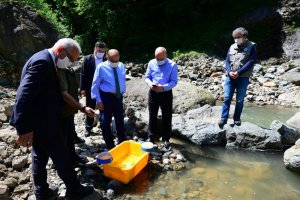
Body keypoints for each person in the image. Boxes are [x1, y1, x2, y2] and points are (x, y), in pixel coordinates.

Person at [10, 38, 94, 200]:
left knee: (39, 157)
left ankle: (42, 191)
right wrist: (23, 128)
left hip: (43, 120)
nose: (70, 63)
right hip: (44, 122)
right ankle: (74, 189)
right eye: (71, 59)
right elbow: (23, 95)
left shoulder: (47, 60)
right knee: (61, 155)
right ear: (61, 51)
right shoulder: (42, 62)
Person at [58, 62, 95, 167]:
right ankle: (63, 163)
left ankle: (73, 156)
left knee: (70, 136)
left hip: (70, 109)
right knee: (63, 138)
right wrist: (82, 108)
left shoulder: (67, 68)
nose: (74, 60)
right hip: (62, 111)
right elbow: (63, 93)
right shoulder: (59, 70)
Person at [218, 27, 257, 127]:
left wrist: (239, 72)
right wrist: (229, 71)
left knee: (239, 100)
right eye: (234, 37)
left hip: (243, 77)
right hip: (230, 77)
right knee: (227, 98)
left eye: (238, 37)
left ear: (244, 36)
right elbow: (227, 61)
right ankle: (223, 118)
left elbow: (251, 61)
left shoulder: (252, 46)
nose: (236, 39)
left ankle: (236, 118)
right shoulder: (232, 46)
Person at [91, 49, 126, 149]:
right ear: (107, 57)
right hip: (106, 97)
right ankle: (110, 145)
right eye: (112, 60)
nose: (115, 62)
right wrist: (98, 100)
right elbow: (95, 85)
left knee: (120, 119)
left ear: (119, 57)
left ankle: (122, 141)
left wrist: (123, 91)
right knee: (105, 121)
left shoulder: (121, 65)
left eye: (117, 60)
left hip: (118, 97)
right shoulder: (101, 67)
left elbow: (122, 79)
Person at [144, 47, 178, 150]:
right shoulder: (151, 63)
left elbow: (174, 81)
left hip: (166, 93)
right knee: (152, 115)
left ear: (165, 56)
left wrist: (163, 87)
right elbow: (147, 77)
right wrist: (150, 84)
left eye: (160, 59)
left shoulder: (172, 65)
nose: (158, 61)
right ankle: (151, 137)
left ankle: (166, 139)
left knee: (167, 116)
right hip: (153, 92)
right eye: (157, 58)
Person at [80, 41, 107, 137]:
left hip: (103, 88)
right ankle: (88, 128)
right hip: (90, 87)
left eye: (102, 51)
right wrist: (82, 88)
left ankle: (104, 127)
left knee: (103, 107)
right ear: (95, 49)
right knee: (90, 107)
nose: (100, 52)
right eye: (99, 50)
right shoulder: (87, 59)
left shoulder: (106, 59)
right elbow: (83, 74)